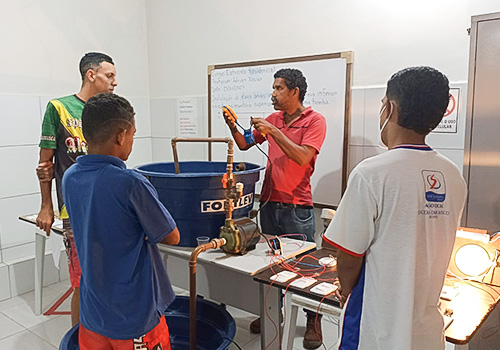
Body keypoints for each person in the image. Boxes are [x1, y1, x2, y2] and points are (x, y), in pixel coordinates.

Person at [322, 67, 467, 350]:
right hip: (425, 327)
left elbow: (350, 256)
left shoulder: (372, 173)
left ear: (390, 107)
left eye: (381, 105)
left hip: (376, 326)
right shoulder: (453, 176)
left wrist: (347, 291)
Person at [62, 93, 180, 350]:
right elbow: (172, 236)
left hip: (93, 311)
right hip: (134, 315)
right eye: (133, 135)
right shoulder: (131, 182)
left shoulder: (70, 177)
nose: (132, 142)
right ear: (120, 135)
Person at [224, 68, 327, 349]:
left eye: (279, 88)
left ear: (294, 92)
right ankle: (272, 313)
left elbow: (303, 157)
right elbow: (245, 143)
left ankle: (312, 322)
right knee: (272, 265)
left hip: (298, 206)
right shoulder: (273, 119)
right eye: (274, 88)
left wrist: (273, 131)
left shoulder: (315, 121)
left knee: (305, 268)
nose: (273, 94)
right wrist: (234, 125)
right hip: (269, 202)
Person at [36, 52, 117, 326]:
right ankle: (79, 338)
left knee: (108, 275)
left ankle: (106, 332)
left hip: (108, 206)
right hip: (75, 210)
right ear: (91, 75)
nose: (114, 82)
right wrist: (46, 207)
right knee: (81, 281)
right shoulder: (59, 108)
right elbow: (45, 165)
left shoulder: (110, 110)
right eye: (110, 76)